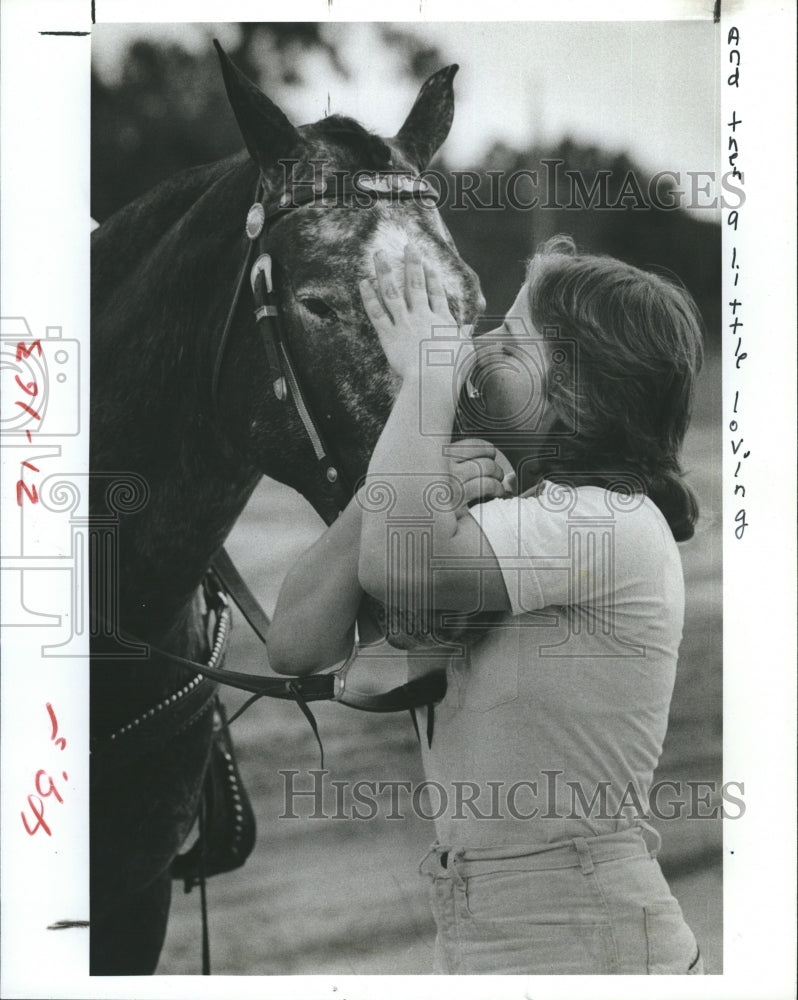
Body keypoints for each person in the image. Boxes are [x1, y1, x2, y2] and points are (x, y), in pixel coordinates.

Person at [266, 235, 705, 975]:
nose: (476, 347)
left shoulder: (611, 522)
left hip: (587, 943)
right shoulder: (503, 515)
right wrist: (395, 485)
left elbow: (400, 566)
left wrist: (428, 380)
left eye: (510, 337)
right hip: (493, 941)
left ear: (576, 394)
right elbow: (296, 640)